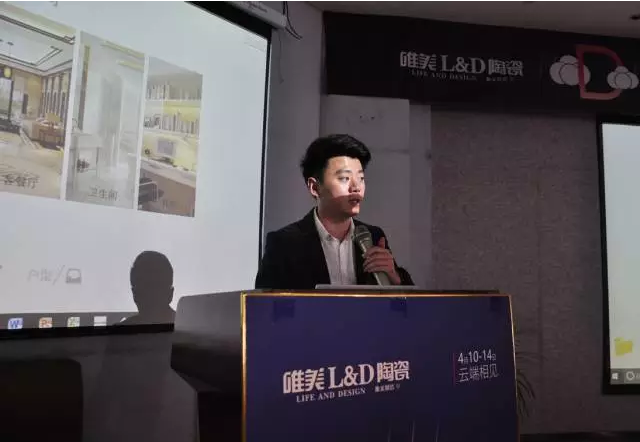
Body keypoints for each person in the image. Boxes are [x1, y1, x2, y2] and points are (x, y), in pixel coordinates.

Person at [255, 134, 413, 290]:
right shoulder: (284, 244)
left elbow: (407, 303)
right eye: (344, 178)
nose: (356, 187)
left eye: (361, 178)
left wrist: (395, 277)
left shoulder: (373, 236)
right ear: (314, 187)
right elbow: (265, 304)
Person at [119, 251, 176, 325]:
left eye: (155, 287)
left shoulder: (120, 330)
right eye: (144, 289)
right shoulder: (187, 326)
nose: (149, 296)